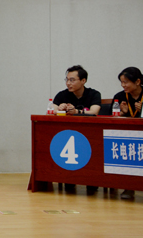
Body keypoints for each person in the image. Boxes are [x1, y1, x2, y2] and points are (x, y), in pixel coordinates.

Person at [53, 65, 101, 194]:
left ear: (83, 80)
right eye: (67, 80)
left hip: (90, 135)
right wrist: (59, 109)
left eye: (72, 80)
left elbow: (94, 112)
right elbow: (51, 110)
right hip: (68, 134)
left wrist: (77, 112)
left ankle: (91, 181)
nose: (68, 83)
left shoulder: (94, 94)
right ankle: (69, 179)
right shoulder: (62, 95)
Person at [112, 66, 143, 199]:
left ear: (137, 81)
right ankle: (128, 187)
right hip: (127, 135)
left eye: (126, 82)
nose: (123, 85)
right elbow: (111, 118)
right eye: (121, 82)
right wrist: (122, 114)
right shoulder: (119, 97)